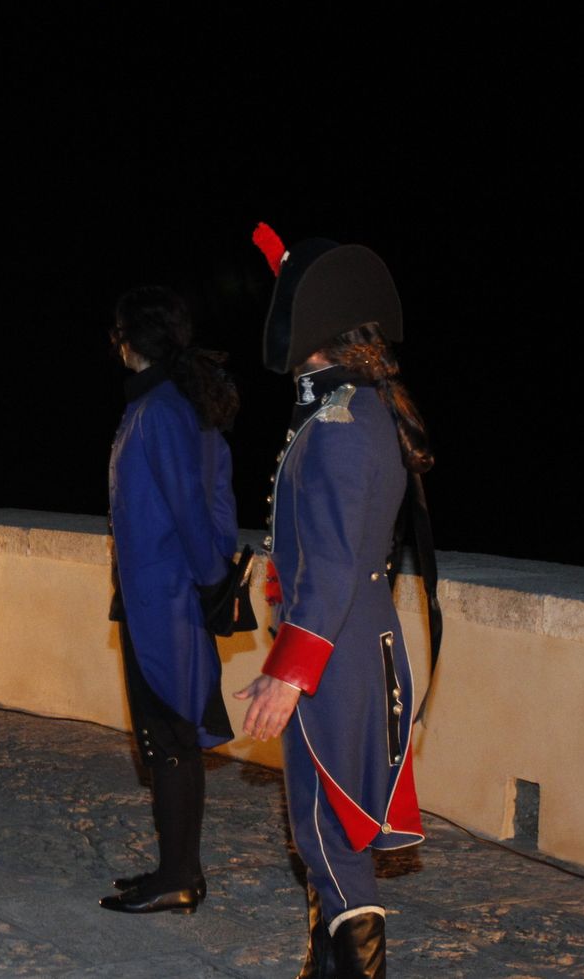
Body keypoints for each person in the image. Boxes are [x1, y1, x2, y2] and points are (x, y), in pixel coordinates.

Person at [236, 225, 434, 979]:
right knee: (325, 836)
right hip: (351, 643)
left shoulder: (344, 424)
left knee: (328, 835)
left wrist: (290, 670)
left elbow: (336, 563)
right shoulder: (348, 408)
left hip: (338, 652)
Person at [98, 286, 240, 916]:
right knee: (162, 738)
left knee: (171, 739)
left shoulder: (159, 409)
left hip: (168, 599)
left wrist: (211, 588)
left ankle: (182, 876)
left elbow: (192, 507)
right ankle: (174, 868)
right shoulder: (167, 403)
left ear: (128, 340)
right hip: (153, 594)